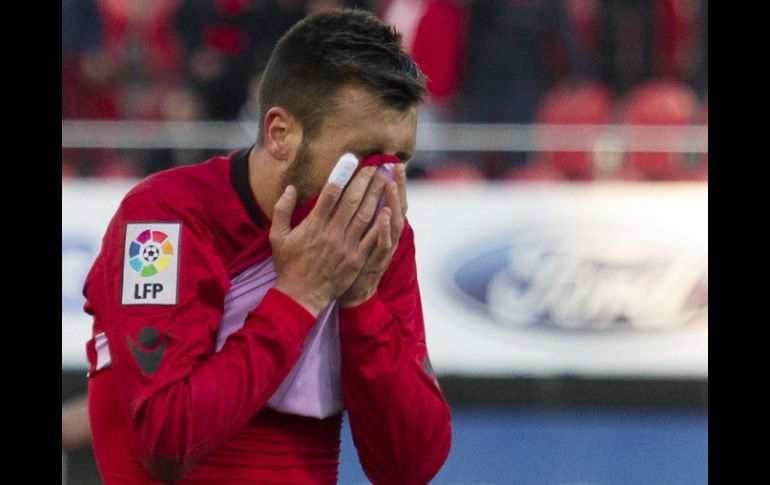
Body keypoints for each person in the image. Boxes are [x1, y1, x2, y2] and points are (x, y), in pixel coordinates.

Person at [83, 9, 452, 484]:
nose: (380, 181)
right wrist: (300, 296)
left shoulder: (379, 237)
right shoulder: (163, 220)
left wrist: (360, 301)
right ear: (281, 134)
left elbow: (410, 467)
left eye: (398, 159)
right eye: (362, 155)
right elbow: (167, 440)